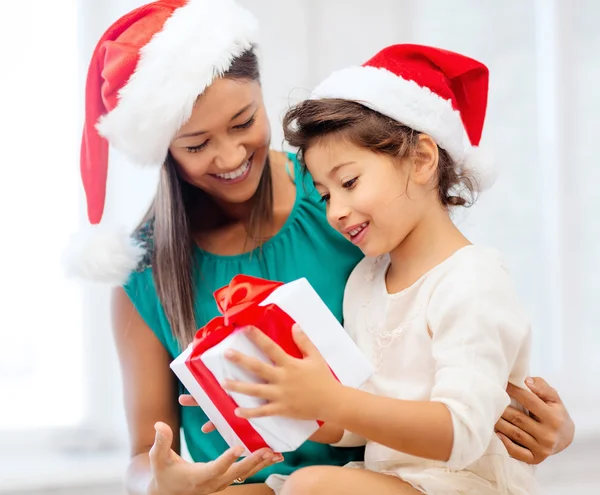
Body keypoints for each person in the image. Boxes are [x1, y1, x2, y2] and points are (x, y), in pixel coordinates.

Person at [66, 0, 575, 493]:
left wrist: (551, 427)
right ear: (164, 151)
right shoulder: (146, 271)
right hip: (284, 480)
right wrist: (161, 481)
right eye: (196, 145)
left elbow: (457, 323)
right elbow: (145, 453)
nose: (229, 156)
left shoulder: (347, 195)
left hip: (388, 477)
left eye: (244, 122)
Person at [214, 44, 563, 494]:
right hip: (393, 480)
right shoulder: (365, 281)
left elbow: (462, 433)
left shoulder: (473, 280)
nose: (335, 211)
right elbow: (363, 424)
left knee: (309, 486)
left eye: (349, 182)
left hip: (463, 483)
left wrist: (333, 398)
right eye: (324, 195)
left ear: (421, 159)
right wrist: (290, 403)